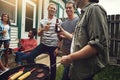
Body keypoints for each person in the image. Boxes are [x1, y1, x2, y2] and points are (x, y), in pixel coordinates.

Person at [59, 0, 109, 80]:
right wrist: (63, 32)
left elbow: (96, 45)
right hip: (75, 64)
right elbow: (77, 39)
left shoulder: (94, 9)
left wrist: (70, 57)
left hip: (84, 67)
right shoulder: (83, 14)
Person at [25, 3, 62, 80]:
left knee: (53, 64)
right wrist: (43, 29)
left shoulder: (58, 21)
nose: (52, 9)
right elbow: (38, 34)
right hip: (43, 44)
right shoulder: (42, 21)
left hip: (53, 46)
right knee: (30, 57)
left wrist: (58, 48)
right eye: (51, 8)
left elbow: (60, 36)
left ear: (56, 11)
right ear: (48, 9)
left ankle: (52, 78)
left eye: (54, 9)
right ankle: (35, 71)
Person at [59, 1, 79, 80]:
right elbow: (61, 38)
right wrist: (59, 47)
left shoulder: (78, 21)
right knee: (69, 72)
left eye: (70, 7)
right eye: (66, 8)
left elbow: (75, 38)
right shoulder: (63, 24)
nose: (68, 9)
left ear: (74, 9)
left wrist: (64, 34)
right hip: (65, 51)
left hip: (75, 52)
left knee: (68, 75)